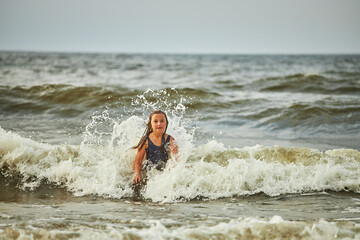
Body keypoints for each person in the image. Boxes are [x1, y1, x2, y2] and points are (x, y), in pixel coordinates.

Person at [132, 110, 178, 184]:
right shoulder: (146, 141)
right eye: (155, 121)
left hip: (164, 172)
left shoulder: (171, 140)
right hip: (149, 173)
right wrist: (137, 174)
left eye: (162, 121)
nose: (159, 124)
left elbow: (175, 162)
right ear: (150, 124)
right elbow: (137, 162)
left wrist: (172, 176)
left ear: (166, 123)